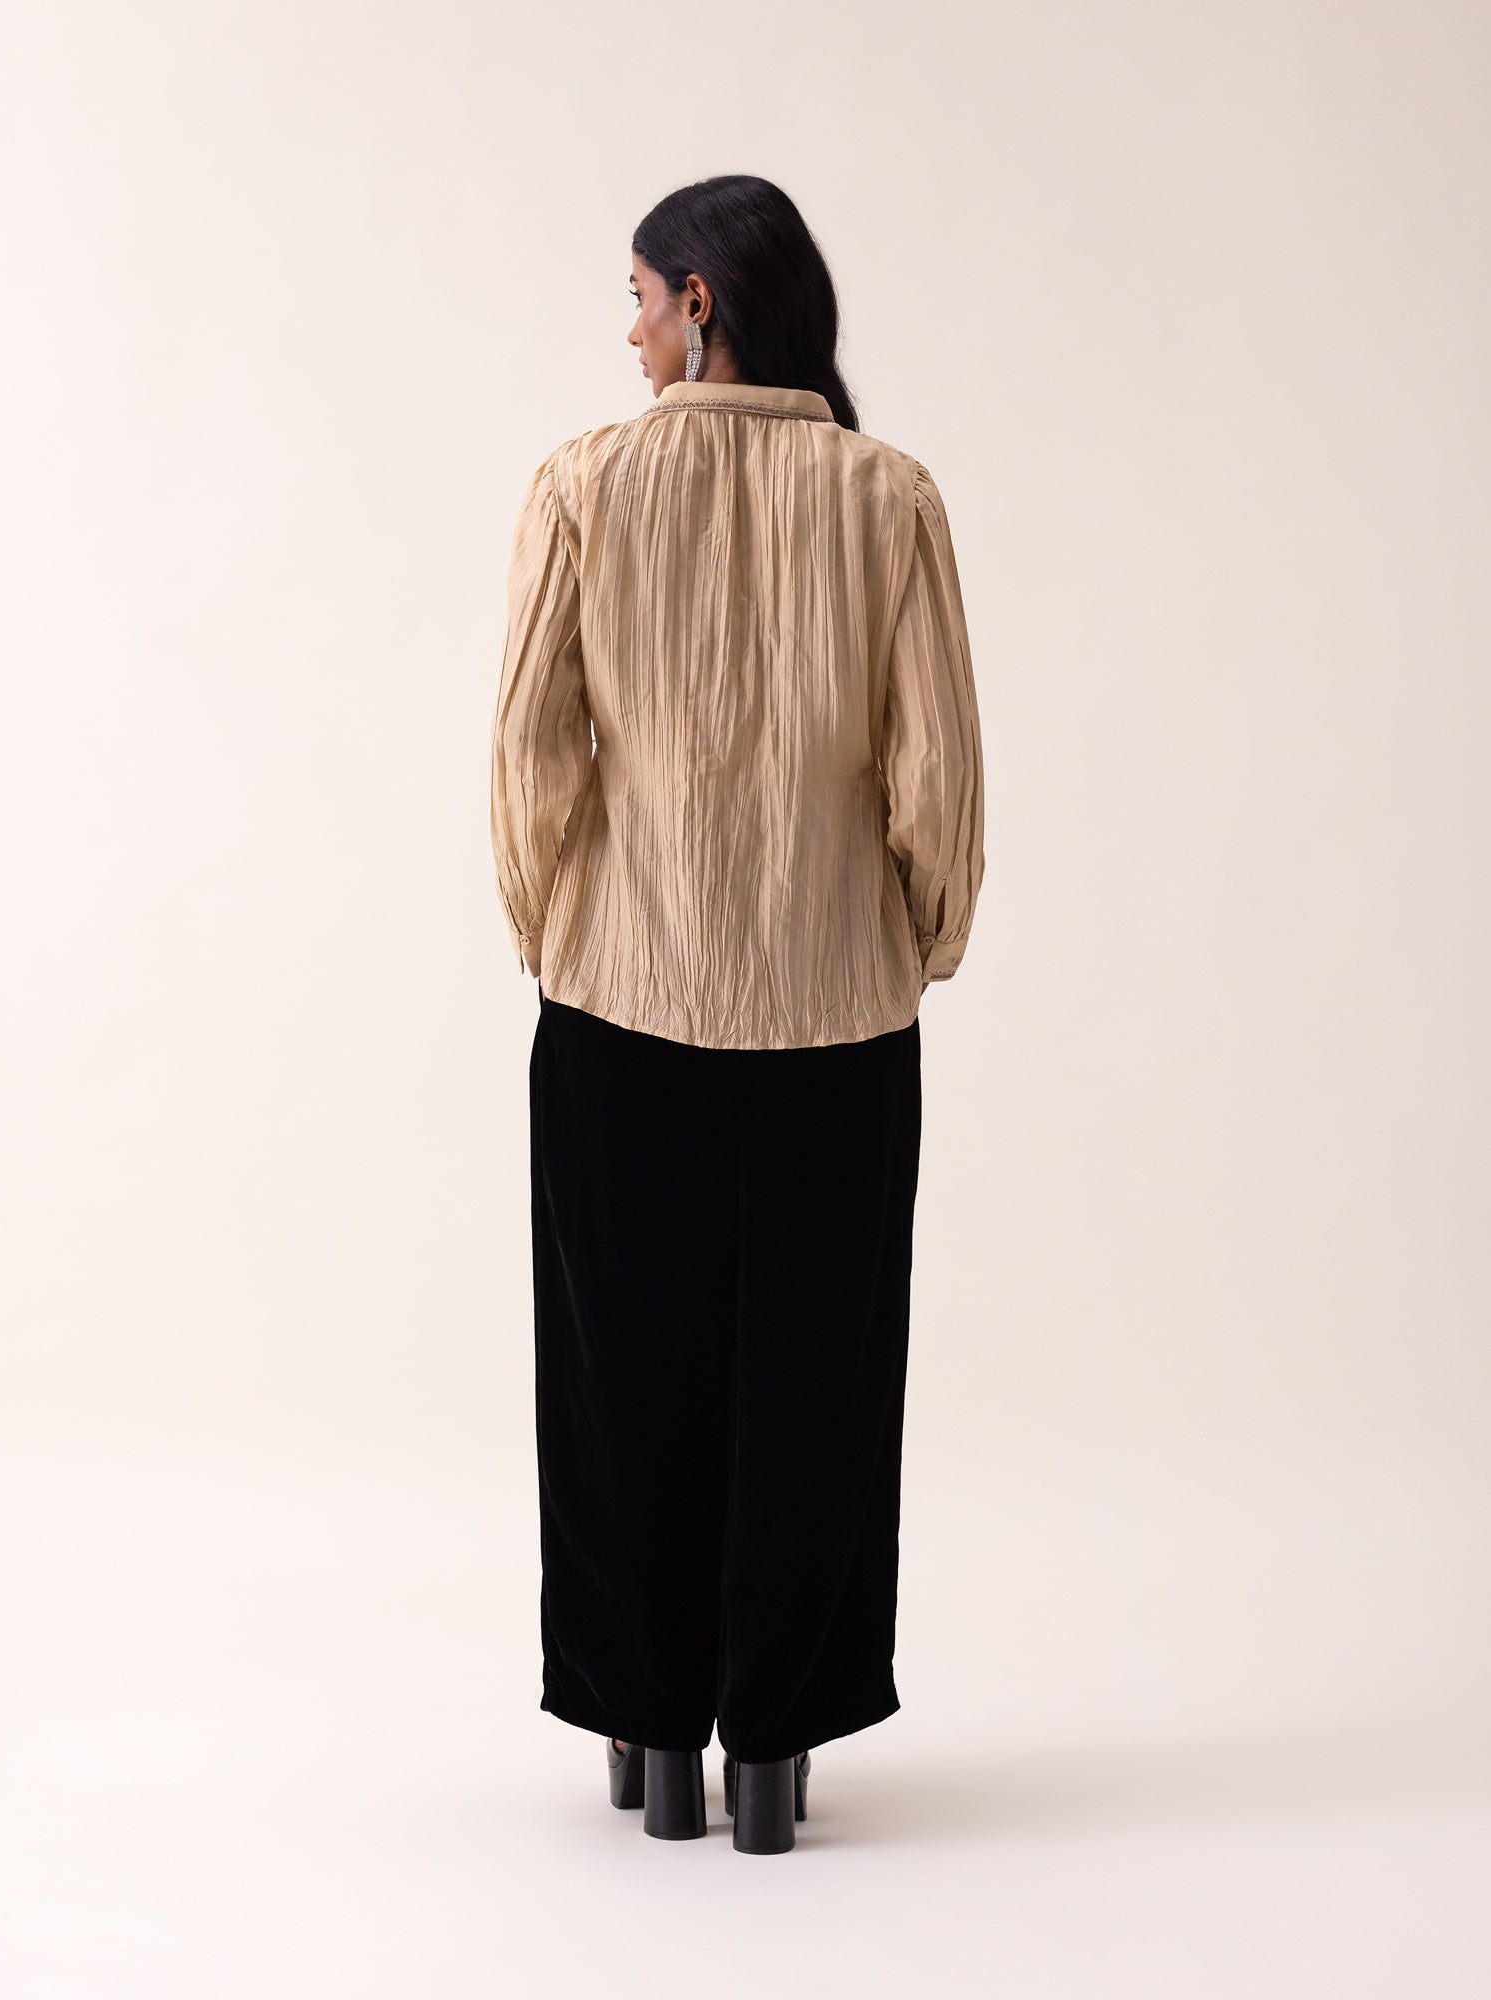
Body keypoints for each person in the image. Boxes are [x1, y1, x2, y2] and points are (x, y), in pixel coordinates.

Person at [489, 174, 985, 1854]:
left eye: (639, 295)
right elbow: (938, 777)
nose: (627, 329)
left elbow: (531, 756)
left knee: (621, 1382)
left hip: (617, 1005)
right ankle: (772, 1748)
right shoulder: (889, 496)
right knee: (815, 1389)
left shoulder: (583, 486)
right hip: (837, 1017)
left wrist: (560, 930)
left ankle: (649, 1736)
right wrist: (910, 943)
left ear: (701, 300)